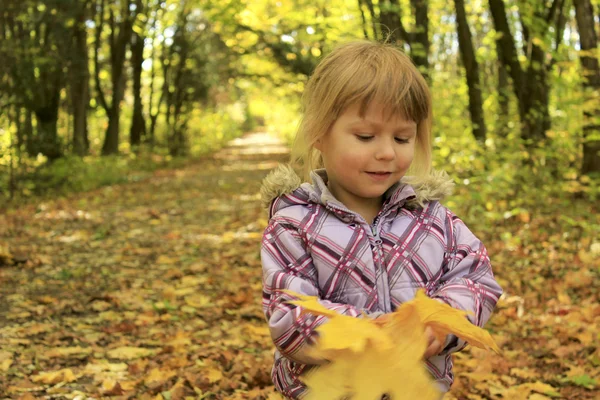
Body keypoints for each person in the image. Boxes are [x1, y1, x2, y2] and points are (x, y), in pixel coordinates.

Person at [260, 40, 502, 399]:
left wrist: (438, 321)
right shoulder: (294, 225)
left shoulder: (433, 220)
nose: (387, 152)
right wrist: (368, 332)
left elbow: (477, 280)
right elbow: (288, 313)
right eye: (365, 136)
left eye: (403, 138)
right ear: (319, 134)